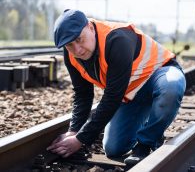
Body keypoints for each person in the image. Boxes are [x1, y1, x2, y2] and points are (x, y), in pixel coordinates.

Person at [47, 9, 186, 166]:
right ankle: (149, 122)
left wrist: (81, 139)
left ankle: (145, 144)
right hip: (131, 93)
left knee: (172, 87)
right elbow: (83, 95)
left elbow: (112, 96)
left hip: (159, 75)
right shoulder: (72, 55)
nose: (77, 49)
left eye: (80, 39)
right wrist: (74, 130)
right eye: (70, 45)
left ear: (90, 28)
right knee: (113, 149)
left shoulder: (117, 38)